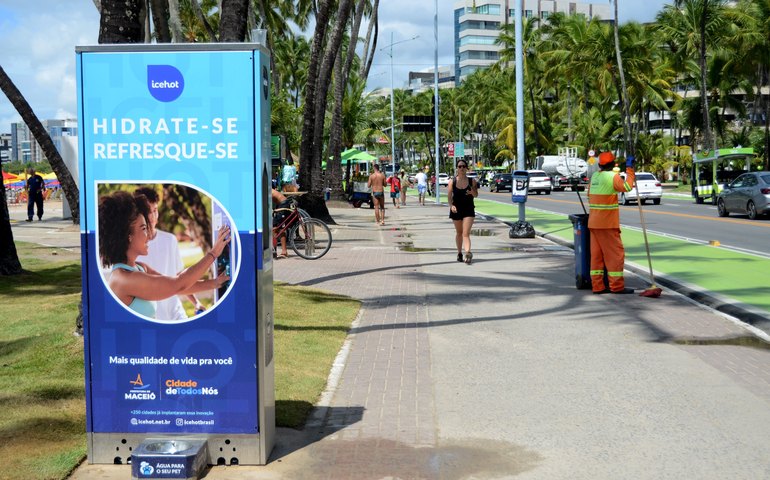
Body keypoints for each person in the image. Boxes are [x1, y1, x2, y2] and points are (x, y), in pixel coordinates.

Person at [98, 191, 231, 318]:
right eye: (143, 228)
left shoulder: (139, 267)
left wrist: (214, 283)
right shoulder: (123, 279)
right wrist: (214, 253)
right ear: (128, 236)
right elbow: (178, 284)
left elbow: (178, 287)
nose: (149, 235)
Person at [133, 187, 206, 320]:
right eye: (149, 212)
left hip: (176, 313)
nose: (153, 217)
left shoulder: (169, 240)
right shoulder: (133, 248)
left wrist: (196, 302)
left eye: (155, 210)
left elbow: (179, 277)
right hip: (151, 317)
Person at [587, 151, 636, 294]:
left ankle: (597, 286)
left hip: (594, 223)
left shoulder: (595, 176)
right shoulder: (613, 177)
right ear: (612, 164)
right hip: (607, 223)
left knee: (596, 257)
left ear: (600, 164)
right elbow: (627, 187)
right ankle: (616, 286)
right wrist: (630, 170)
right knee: (615, 255)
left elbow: (589, 195)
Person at [447, 160, 478, 264]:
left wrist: (472, 191)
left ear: (466, 168)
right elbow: (449, 197)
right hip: (456, 210)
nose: (462, 168)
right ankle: (459, 253)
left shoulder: (472, 181)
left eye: (464, 166)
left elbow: (476, 194)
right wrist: (451, 206)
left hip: (469, 209)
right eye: (460, 166)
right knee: (459, 233)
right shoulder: (452, 181)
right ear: (457, 168)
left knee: (466, 233)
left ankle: (468, 253)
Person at [271, 188, 290, 258]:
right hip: (281, 204)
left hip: (283, 204)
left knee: (277, 228)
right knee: (277, 227)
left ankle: (281, 251)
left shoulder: (264, 189)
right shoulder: (266, 188)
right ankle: (278, 251)